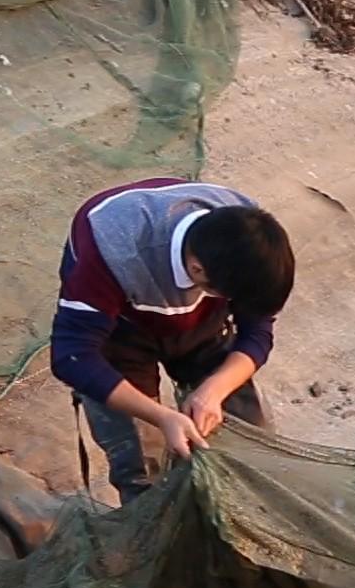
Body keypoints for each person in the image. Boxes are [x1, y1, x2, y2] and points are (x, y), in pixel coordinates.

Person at [50, 178, 294, 501]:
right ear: (197, 270)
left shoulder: (248, 233)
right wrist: (162, 417)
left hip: (202, 321)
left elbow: (257, 331)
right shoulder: (112, 250)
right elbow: (71, 356)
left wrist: (212, 392)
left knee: (251, 446)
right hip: (120, 332)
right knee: (143, 473)